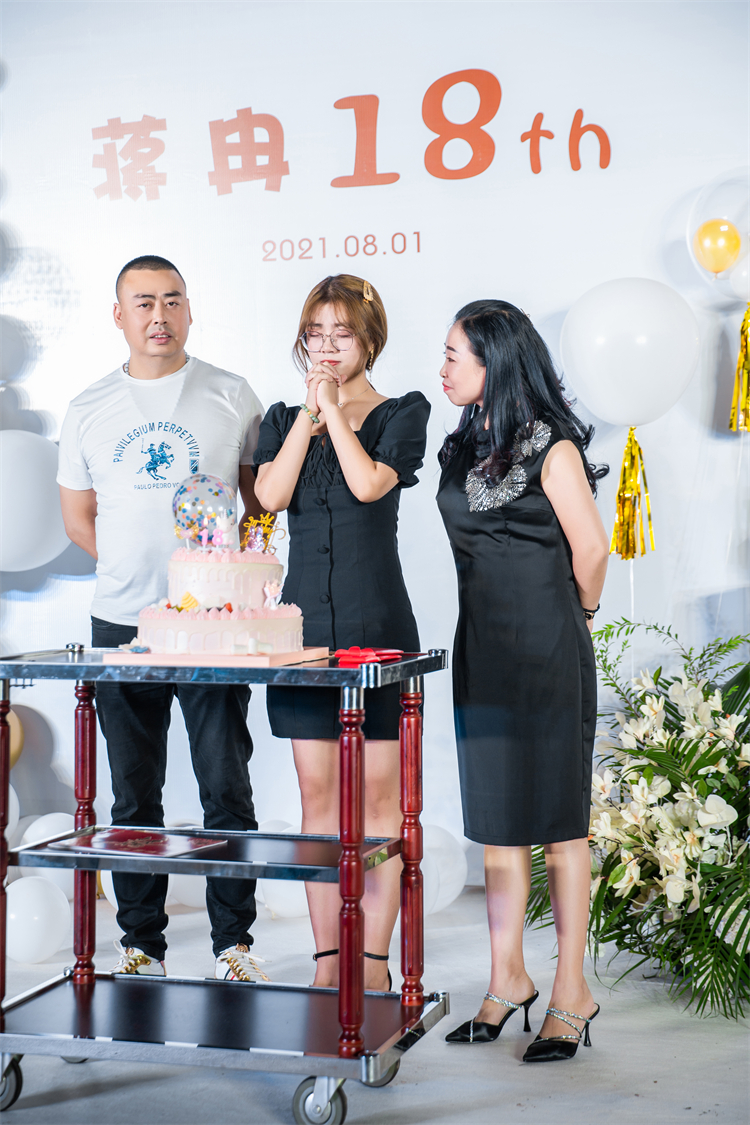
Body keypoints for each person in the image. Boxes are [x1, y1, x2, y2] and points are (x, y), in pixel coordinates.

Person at [57, 254, 269, 983]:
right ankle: (140, 943)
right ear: (118, 315)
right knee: (133, 792)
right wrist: (145, 581)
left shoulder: (231, 393)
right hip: (123, 624)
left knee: (225, 785)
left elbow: (257, 502)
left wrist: (205, 585)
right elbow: (79, 517)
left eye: (172, 300)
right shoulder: (88, 407)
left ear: (190, 310)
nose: (159, 315)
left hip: (213, 622)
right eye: (143, 302)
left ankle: (233, 943)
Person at [436, 300, 609, 1062]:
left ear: (495, 362)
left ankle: (571, 990)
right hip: (483, 649)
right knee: (498, 825)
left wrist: (581, 615)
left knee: (562, 827)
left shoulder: (553, 446)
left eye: (454, 355)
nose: (443, 368)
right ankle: (508, 978)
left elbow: (591, 550)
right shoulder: (461, 444)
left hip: (548, 649)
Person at [253, 275, 430, 991]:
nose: (326, 346)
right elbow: (270, 496)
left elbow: (366, 485)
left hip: (377, 626)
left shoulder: (401, 412)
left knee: (381, 804)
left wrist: (335, 409)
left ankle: (375, 964)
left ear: (369, 339)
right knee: (319, 802)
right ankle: (330, 962)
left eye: (342, 333)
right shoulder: (280, 418)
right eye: (315, 333)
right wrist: (308, 415)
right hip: (301, 635)